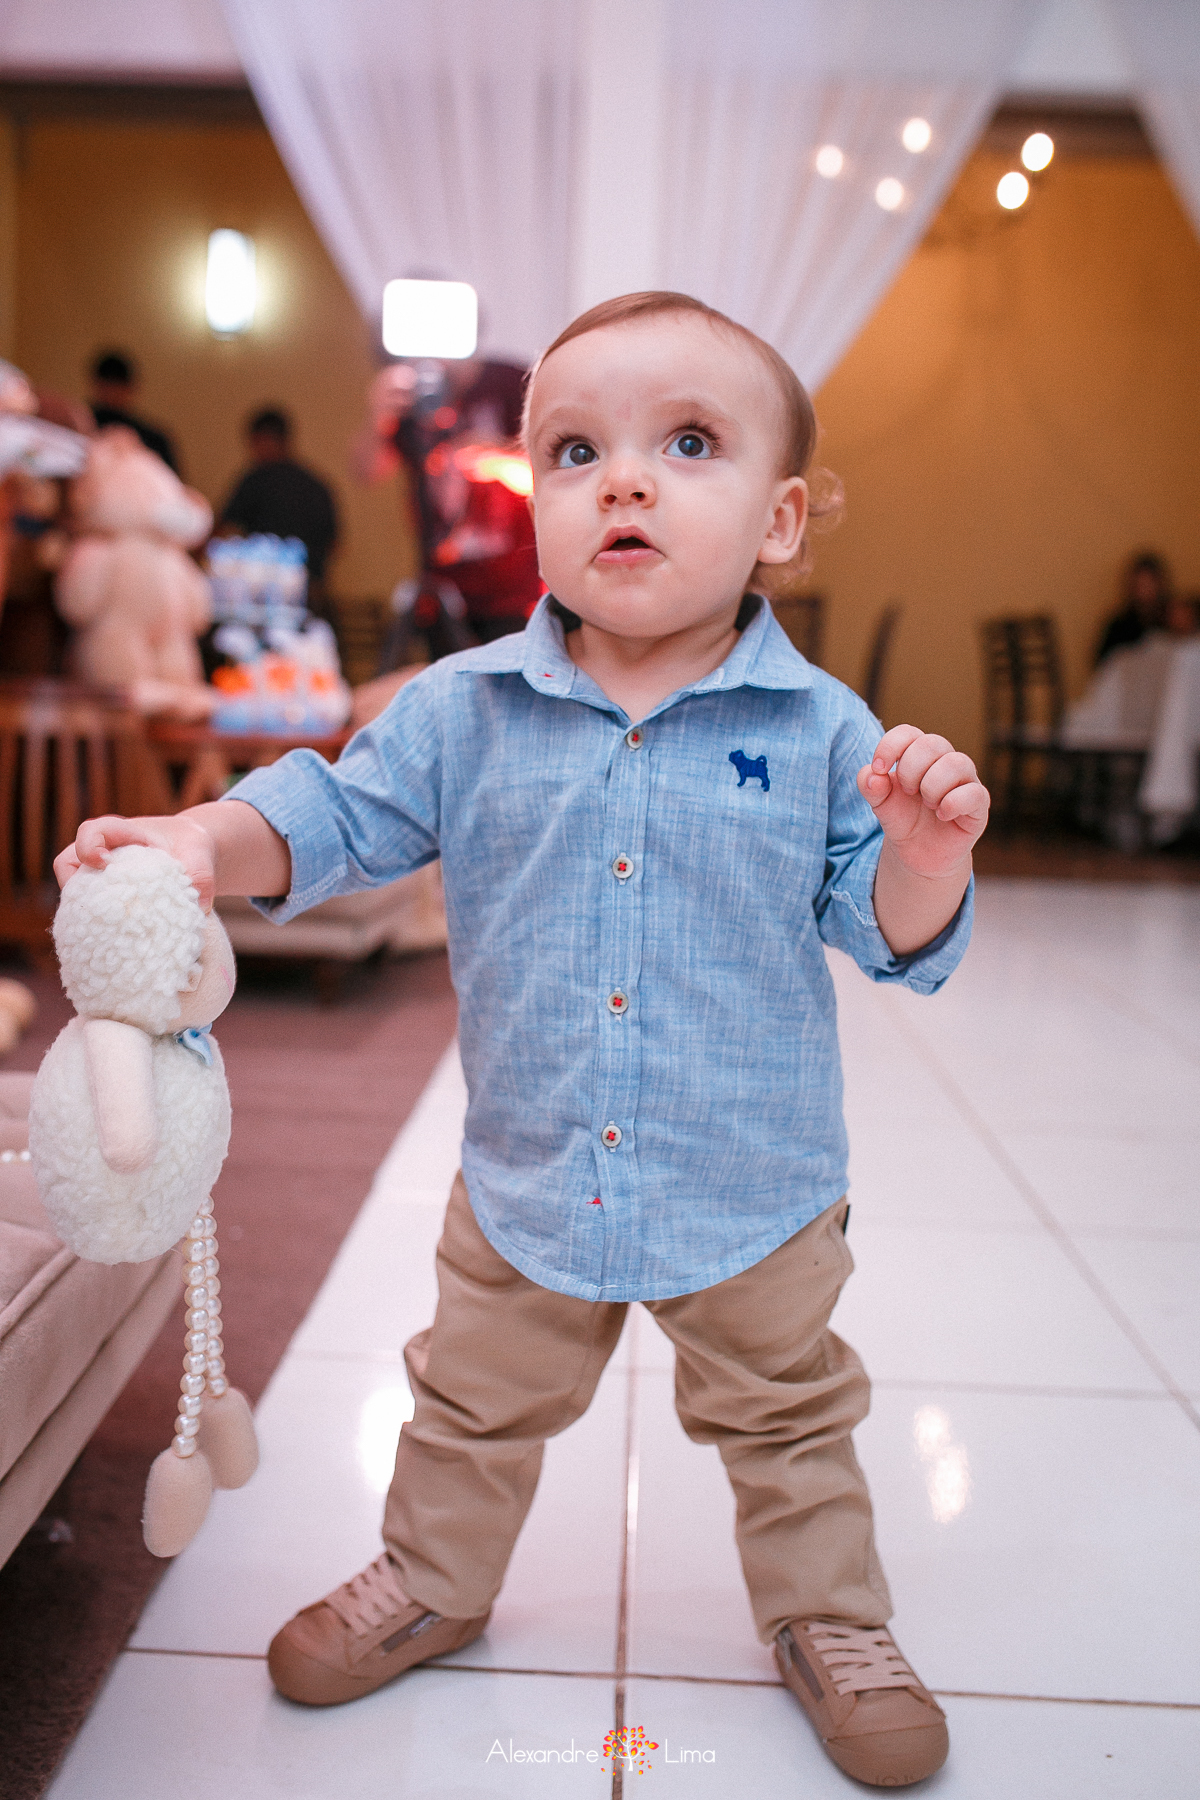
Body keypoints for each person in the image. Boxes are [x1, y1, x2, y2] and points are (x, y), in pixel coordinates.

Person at [55, 291, 990, 1790]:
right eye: (574, 450)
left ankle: (829, 1613)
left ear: (780, 520)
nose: (624, 482)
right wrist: (199, 843)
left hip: (753, 1185)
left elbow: (882, 929)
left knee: (792, 1421)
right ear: (532, 502)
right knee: (468, 1405)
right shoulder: (464, 709)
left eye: (689, 443)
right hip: (530, 1174)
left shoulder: (823, 729)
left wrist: (924, 859)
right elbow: (335, 813)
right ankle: (435, 1579)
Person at [219, 408, 339, 598]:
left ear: (264, 439)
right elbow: (335, 544)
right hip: (310, 589)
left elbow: (223, 529)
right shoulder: (316, 484)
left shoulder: (256, 480)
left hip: (261, 591)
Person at [87, 350, 180, 473]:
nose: (112, 392)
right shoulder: (81, 427)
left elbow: (170, 481)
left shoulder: (154, 439)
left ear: (129, 388)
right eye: (108, 384)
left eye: (117, 385)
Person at [1095, 551, 1171, 665]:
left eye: (1149, 583)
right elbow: (1104, 666)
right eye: (1140, 584)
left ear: (1160, 584)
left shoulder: (1174, 619)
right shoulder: (1119, 627)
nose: (1144, 590)